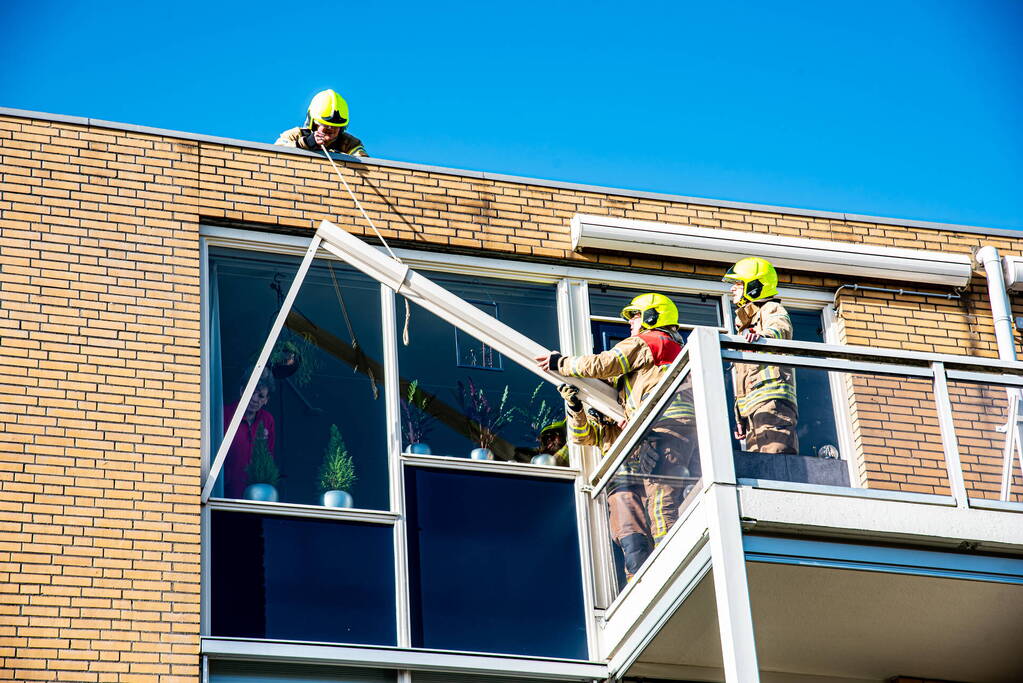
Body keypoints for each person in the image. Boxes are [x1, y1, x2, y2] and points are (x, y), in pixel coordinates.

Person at [537, 293, 697, 579]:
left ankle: (674, 571)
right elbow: (585, 436)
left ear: (652, 317)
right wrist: (576, 407)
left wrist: (561, 363)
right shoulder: (661, 358)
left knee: (662, 507)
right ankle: (651, 578)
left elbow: (606, 363)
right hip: (659, 441)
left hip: (663, 432)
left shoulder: (652, 340)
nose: (630, 323)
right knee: (635, 537)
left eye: (635, 316)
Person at [723, 257, 799, 454]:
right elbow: (741, 378)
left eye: (738, 284)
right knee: (759, 464)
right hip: (752, 411)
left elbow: (781, 329)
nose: (733, 289)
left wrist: (763, 337)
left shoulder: (770, 309)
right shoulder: (746, 328)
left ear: (754, 287)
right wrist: (739, 416)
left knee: (776, 455)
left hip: (772, 403)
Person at [223, 371, 276, 498]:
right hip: (225, 493)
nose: (254, 399)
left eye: (261, 396)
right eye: (251, 392)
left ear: (266, 400)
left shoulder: (268, 420)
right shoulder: (225, 414)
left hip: (256, 495)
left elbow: (269, 458)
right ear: (242, 391)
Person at [275, 89, 368, 157]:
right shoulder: (295, 135)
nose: (330, 128)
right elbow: (276, 152)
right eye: (325, 124)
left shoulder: (350, 143)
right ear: (314, 123)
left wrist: (338, 155)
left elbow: (365, 163)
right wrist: (307, 143)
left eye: (335, 126)